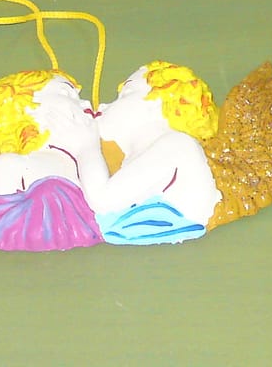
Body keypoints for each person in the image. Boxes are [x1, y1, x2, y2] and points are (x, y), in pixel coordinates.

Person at [80, 61, 222, 245]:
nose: (104, 106)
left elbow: (102, 200)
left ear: (157, 101)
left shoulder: (176, 145)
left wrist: (85, 145)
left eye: (126, 93)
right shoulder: (143, 155)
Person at [0, 69, 105, 251]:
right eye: (67, 93)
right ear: (29, 108)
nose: (86, 103)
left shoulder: (84, 161)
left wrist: (88, 149)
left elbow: (104, 203)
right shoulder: (10, 165)